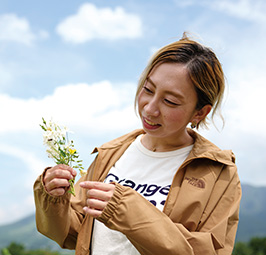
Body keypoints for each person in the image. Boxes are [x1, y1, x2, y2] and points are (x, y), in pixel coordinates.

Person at [34, 33, 241, 255]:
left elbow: (210, 251)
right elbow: (74, 233)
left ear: (200, 112)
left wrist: (129, 211)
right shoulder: (110, 154)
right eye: (148, 89)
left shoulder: (219, 173)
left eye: (170, 101)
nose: (150, 108)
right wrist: (52, 197)